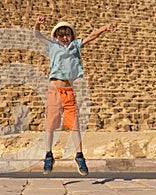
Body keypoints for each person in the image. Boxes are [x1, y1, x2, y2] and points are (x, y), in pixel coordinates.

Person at [34, 16, 113, 175]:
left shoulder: (75, 46)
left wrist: (104, 29)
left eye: (68, 35)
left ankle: (79, 155)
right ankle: (48, 155)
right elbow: (37, 35)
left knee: (75, 125)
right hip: (54, 91)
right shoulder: (52, 45)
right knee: (50, 125)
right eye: (61, 35)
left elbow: (91, 36)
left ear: (72, 36)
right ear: (56, 36)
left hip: (69, 91)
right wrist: (37, 24)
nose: (64, 38)